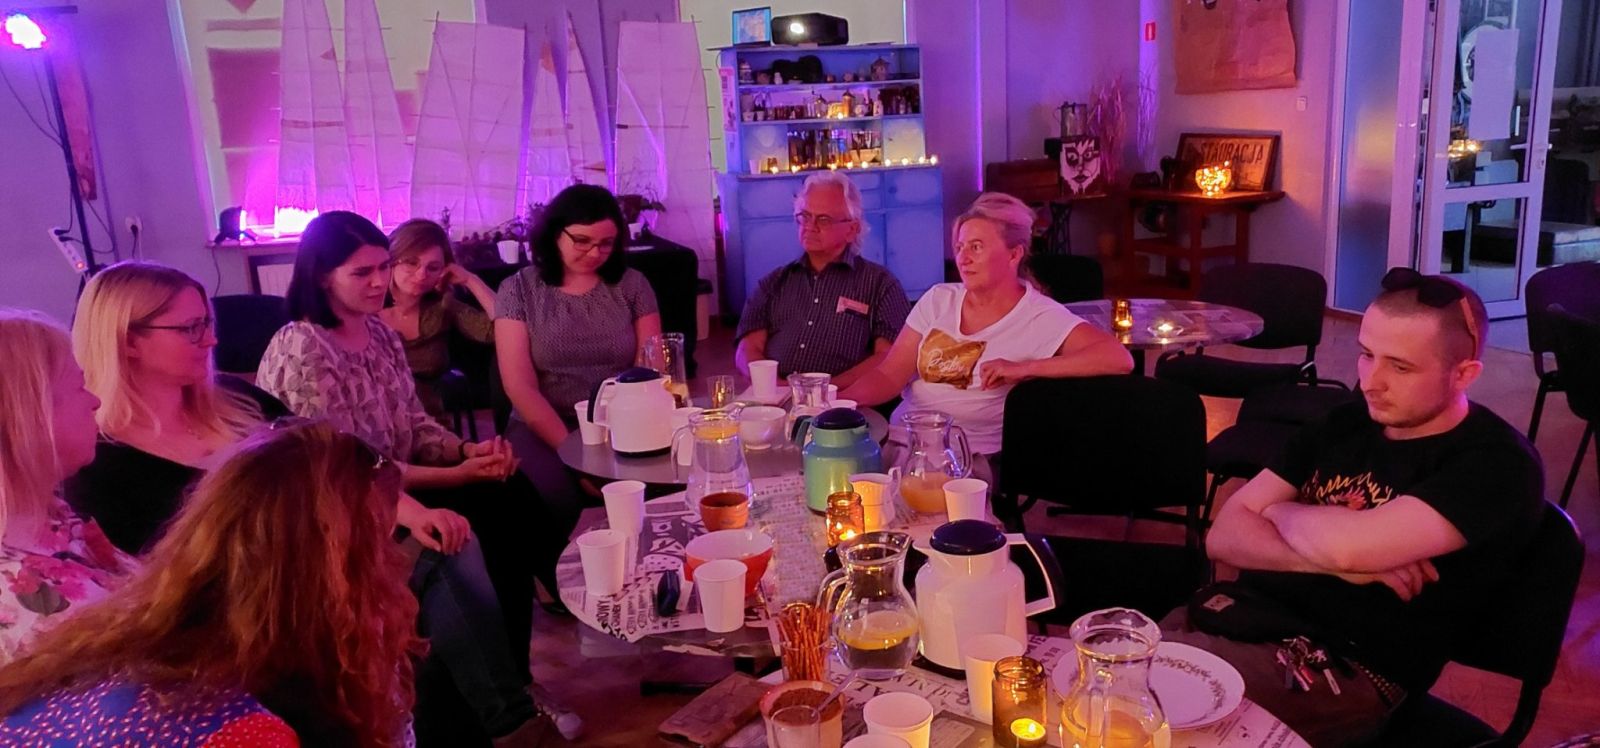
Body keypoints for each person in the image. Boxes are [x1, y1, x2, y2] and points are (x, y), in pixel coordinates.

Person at [63, 261, 564, 745]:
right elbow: (162, 587)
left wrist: (413, 512)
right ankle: (508, 717)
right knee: (428, 592)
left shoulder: (236, 400)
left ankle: (507, 708)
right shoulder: (103, 464)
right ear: (128, 340)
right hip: (259, 605)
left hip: (329, 556)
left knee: (456, 539)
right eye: (190, 329)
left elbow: (337, 457)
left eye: (208, 324)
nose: (211, 340)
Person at [1170, 269, 1544, 747]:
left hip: (1341, 671)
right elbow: (1224, 536)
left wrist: (1282, 513)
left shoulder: (1495, 464)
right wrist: (1333, 560)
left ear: (1464, 374)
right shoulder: (1346, 421)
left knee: (1143, 708)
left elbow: (1349, 549)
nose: (1371, 382)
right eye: (1367, 354)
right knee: (1103, 678)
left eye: (1400, 367)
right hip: (1239, 619)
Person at [254, 214, 577, 737]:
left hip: (397, 484)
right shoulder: (304, 347)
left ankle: (525, 670)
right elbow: (347, 472)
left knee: (506, 491)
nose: (378, 282)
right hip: (343, 510)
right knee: (464, 531)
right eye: (362, 273)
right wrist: (459, 474)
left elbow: (413, 422)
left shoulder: (379, 334)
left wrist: (468, 449)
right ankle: (517, 696)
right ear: (320, 276)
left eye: (383, 268)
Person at [0, 421, 421, 745]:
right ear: (333, 572)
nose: (393, 563)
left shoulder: (129, 637)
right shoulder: (254, 723)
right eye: (380, 547)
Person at [841, 192, 1133, 470]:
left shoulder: (1038, 315)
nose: (963, 258)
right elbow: (889, 375)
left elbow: (1118, 358)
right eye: (960, 247)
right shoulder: (938, 299)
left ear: (1013, 254)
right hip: (900, 442)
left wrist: (1024, 368)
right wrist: (840, 402)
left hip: (966, 458)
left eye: (976, 247)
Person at [495, 184, 659, 521]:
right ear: (556, 234)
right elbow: (519, 386)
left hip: (621, 419)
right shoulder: (519, 290)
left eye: (606, 243)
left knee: (646, 490)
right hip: (542, 422)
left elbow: (648, 365)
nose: (595, 253)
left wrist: (617, 430)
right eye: (582, 241)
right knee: (555, 498)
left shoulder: (632, 285)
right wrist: (576, 452)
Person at [0, 310, 134, 663]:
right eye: (78, 386)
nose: (95, 400)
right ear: (31, 413)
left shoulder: (49, 515)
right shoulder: (22, 600)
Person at [734, 171, 912, 389]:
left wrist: (825, 390)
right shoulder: (773, 283)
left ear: (852, 229)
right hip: (776, 398)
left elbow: (889, 357)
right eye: (805, 216)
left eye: (824, 219)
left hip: (846, 402)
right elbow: (747, 349)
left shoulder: (880, 284)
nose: (810, 226)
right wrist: (777, 389)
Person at [380, 218, 498, 423]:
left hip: (429, 423)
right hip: (375, 423)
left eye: (433, 267)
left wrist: (471, 280)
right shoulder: (366, 310)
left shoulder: (441, 307)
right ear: (392, 260)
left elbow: (503, 329)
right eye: (411, 262)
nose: (421, 275)